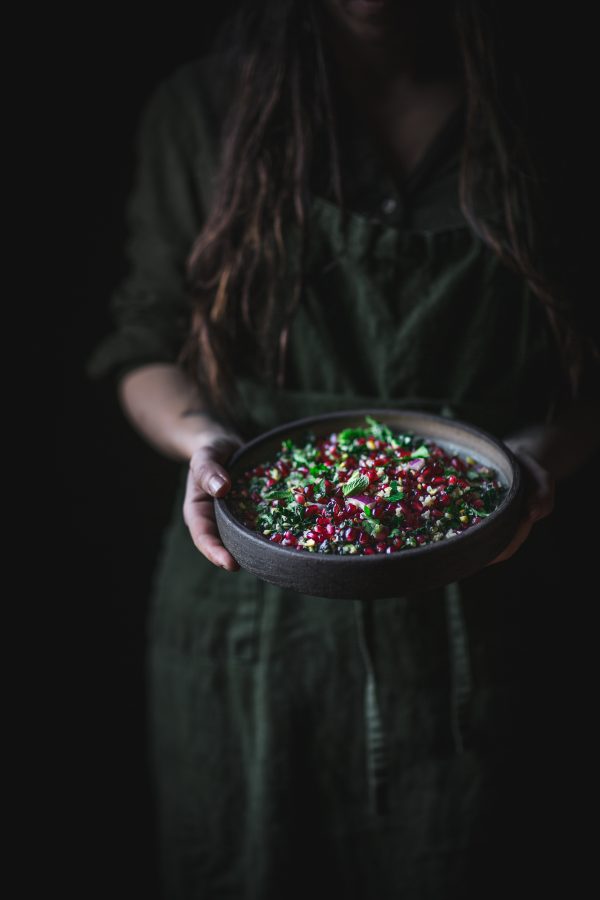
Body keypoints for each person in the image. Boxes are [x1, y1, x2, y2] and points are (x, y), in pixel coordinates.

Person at [88, 1, 599, 897]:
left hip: (486, 589)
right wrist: (206, 440)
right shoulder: (201, 108)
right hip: (247, 607)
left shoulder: (549, 105)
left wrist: (534, 459)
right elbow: (143, 345)